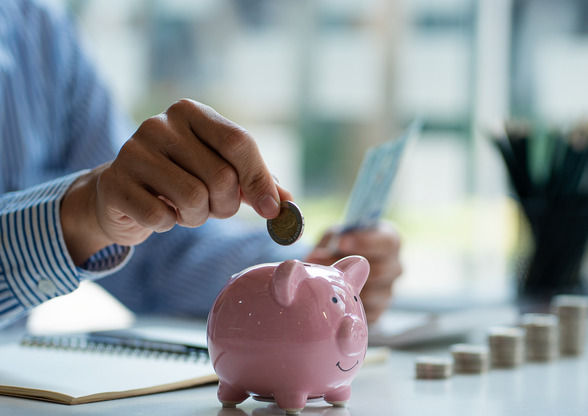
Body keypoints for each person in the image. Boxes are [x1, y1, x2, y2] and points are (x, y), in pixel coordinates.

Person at [0, 0, 401, 329]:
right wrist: (81, 213)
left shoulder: (39, 29)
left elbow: (155, 255)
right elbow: (106, 215)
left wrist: (311, 274)